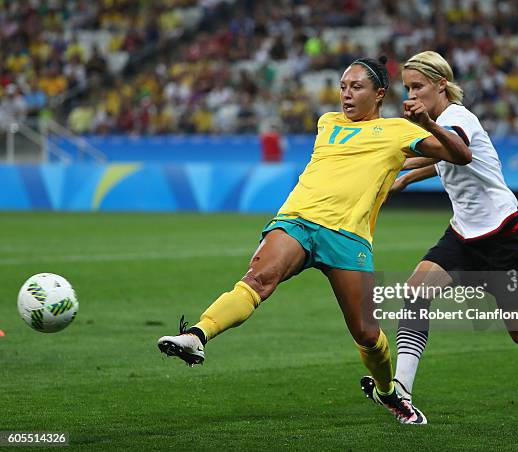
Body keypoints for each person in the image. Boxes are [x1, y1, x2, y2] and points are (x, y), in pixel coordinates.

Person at [157, 56, 472, 425]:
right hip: (297, 220)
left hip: (347, 235)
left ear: (380, 94)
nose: (346, 95)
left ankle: (389, 392)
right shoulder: (328, 123)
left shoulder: (401, 131)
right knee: (258, 279)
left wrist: (428, 124)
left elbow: (461, 155)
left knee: (368, 335)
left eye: (356, 87)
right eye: (342, 87)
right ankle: (198, 335)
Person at [360, 51, 518, 423]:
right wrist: (405, 174)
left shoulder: (456, 117)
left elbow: (457, 152)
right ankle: (403, 391)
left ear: (441, 85)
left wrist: (422, 130)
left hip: (505, 238)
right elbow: (437, 156)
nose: (410, 95)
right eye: (407, 87)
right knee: (415, 292)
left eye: (418, 86)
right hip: (463, 236)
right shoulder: (439, 122)